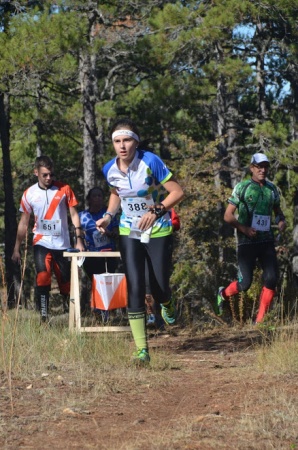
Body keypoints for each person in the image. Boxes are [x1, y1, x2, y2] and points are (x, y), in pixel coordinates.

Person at [96, 118, 184, 363]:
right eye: (117, 141)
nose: (122, 146)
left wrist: (156, 210)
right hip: (129, 230)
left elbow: (177, 192)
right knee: (134, 285)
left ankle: (166, 301)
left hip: (158, 230)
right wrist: (108, 216)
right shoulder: (109, 169)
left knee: (158, 286)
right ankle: (142, 349)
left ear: (136, 141)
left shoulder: (150, 161)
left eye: (126, 140)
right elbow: (116, 193)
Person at [215, 153, 287, 324]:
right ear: (252, 168)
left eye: (265, 167)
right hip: (247, 242)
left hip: (266, 241)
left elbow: (278, 213)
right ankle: (222, 293)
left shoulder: (272, 189)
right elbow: (227, 215)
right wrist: (244, 229)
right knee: (245, 283)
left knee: (271, 278)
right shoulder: (242, 187)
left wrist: (281, 221)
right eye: (259, 167)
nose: (262, 170)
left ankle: (259, 322)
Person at [11, 155, 85, 322]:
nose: (48, 178)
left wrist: (79, 239)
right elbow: (24, 223)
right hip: (41, 242)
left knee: (65, 283)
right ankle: (44, 317)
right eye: (44, 175)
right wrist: (17, 248)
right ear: (36, 172)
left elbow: (74, 215)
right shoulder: (29, 193)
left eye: (51, 174)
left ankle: (72, 316)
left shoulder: (64, 188)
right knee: (42, 277)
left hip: (62, 244)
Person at [79, 186, 119, 319]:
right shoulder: (83, 216)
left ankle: (105, 312)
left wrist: (108, 232)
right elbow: (77, 233)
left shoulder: (108, 215)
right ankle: (97, 310)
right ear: (89, 199)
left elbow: (117, 234)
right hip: (92, 255)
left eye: (100, 196)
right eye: (94, 196)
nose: (97, 198)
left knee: (107, 282)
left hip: (109, 254)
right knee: (96, 282)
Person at [145, 208, 181, 328]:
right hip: (140, 239)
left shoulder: (162, 201)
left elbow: (176, 222)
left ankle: (166, 302)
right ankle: (151, 316)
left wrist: (167, 226)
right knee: (146, 282)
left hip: (160, 239)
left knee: (159, 283)